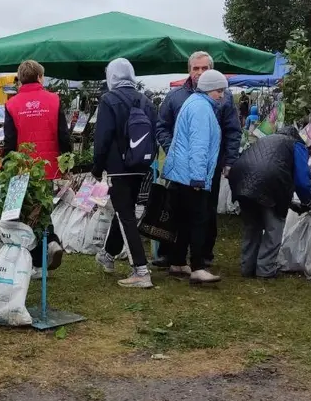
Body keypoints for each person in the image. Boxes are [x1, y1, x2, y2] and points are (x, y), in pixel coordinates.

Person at [154, 51, 242, 269]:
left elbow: (232, 130)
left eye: (204, 68)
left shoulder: (224, 96)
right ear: (189, 70)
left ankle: (202, 255)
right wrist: (175, 147)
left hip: (209, 165)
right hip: (187, 168)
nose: (200, 73)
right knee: (177, 213)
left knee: (206, 212)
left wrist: (229, 160)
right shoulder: (176, 97)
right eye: (196, 68)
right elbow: (162, 127)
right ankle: (175, 256)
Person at [91, 58, 157, 289]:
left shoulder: (109, 100)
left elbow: (103, 137)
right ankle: (108, 255)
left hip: (118, 169)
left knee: (125, 215)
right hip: (140, 166)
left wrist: (97, 167)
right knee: (125, 212)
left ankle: (140, 269)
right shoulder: (146, 100)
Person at [161, 70, 226, 286]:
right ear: (209, 89)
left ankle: (178, 261)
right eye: (219, 91)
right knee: (199, 220)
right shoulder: (202, 108)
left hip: (180, 174)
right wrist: (199, 178)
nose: (222, 96)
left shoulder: (193, 102)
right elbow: (199, 146)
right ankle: (198, 267)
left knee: (183, 221)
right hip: (191, 176)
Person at [4, 59, 71, 270]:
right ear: (40, 77)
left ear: (20, 79)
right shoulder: (54, 100)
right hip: (49, 167)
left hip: (23, 168)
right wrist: (67, 161)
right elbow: (63, 135)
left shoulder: (11, 104)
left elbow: (9, 141)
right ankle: (50, 243)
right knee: (43, 207)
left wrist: (7, 166)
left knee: (28, 213)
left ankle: (39, 257)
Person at [228, 126, 311, 279]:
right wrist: (306, 201)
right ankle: (265, 270)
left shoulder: (267, 139)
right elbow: (302, 180)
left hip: (240, 179)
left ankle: (247, 267)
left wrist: (291, 204)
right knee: (274, 229)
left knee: (252, 226)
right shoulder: (297, 145)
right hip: (270, 182)